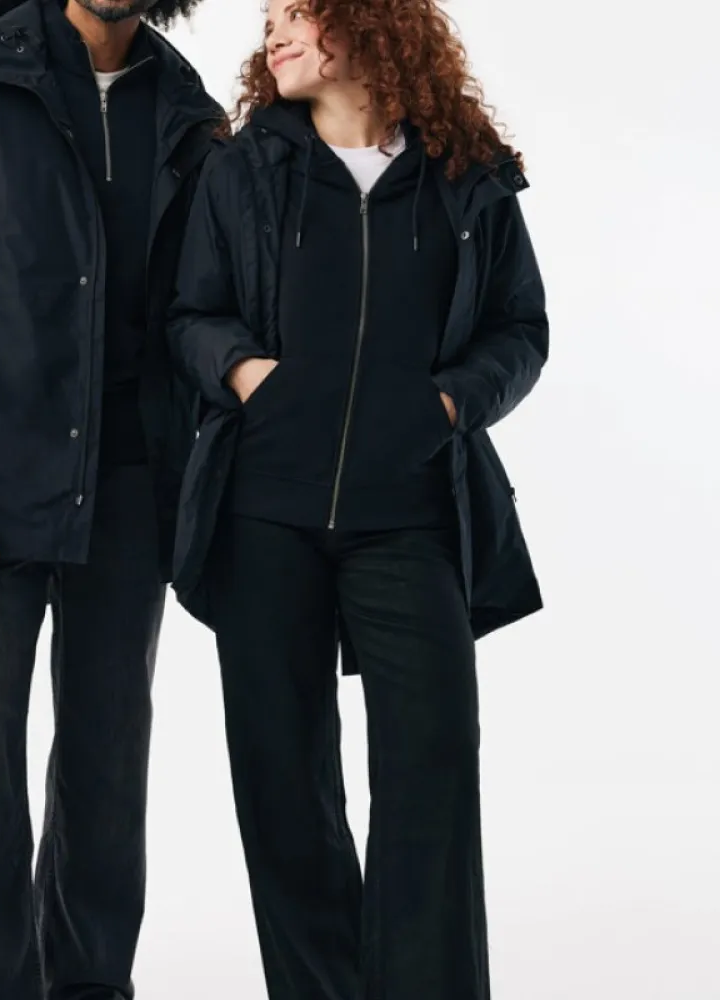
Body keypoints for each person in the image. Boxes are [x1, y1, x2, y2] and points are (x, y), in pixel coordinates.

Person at [167, 0, 548, 997]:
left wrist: (449, 403)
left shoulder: (464, 177)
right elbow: (192, 312)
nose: (273, 34)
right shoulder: (245, 169)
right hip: (265, 516)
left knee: (432, 773)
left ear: (369, 22)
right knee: (283, 786)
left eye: (296, 12)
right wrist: (248, 374)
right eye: (269, 19)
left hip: (410, 516)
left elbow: (520, 328)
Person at [0, 1, 219, 998]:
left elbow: (197, 308)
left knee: (109, 756)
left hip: (132, 490)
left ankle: (92, 984)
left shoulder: (186, 110)